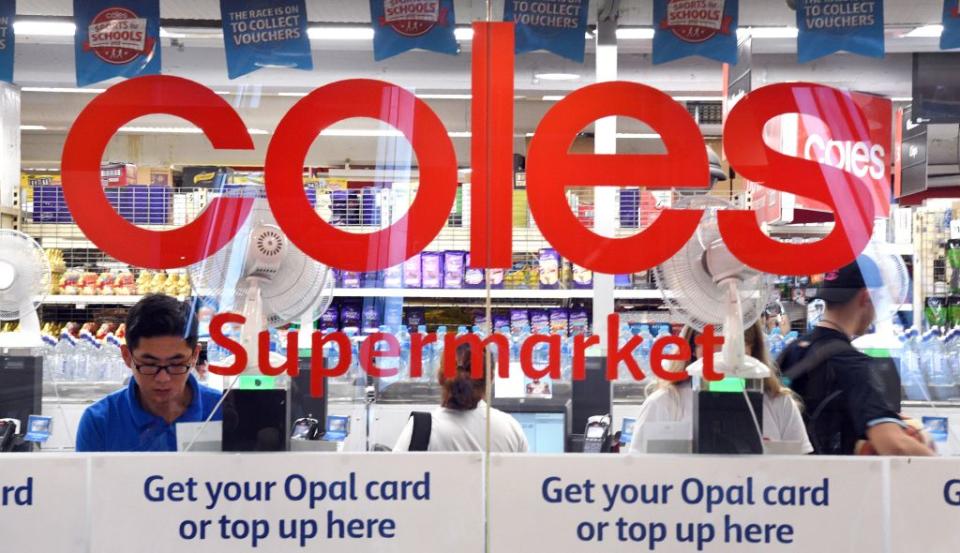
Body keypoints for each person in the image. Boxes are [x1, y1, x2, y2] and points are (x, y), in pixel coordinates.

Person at [778, 258, 935, 456]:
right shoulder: (855, 365)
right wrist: (944, 473)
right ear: (866, 297)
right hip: (835, 482)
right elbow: (895, 446)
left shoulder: (792, 351)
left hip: (787, 482)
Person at [630, 320, 812, 454]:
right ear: (692, 346)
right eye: (710, 342)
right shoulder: (663, 403)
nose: (721, 355)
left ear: (751, 348)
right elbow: (638, 474)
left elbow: (799, 476)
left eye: (731, 344)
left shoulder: (779, 404)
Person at [76, 294, 222, 452]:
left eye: (176, 364)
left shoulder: (222, 412)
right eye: (150, 364)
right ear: (127, 356)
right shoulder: (100, 422)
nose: (163, 378)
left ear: (194, 356)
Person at [394, 343, 528, 452]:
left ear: (440, 377)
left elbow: (397, 480)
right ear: (491, 378)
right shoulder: (511, 429)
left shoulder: (420, 429)